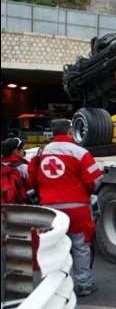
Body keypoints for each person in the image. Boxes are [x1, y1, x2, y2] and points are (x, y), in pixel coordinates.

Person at [29, 119, 103, 297]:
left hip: (50, 210)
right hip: (77, 207)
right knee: (81, 247)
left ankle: (54, 288)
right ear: (70, 132)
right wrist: (84, 193)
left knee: (51, 247)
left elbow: (31, 181)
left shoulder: (38, 154)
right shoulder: (81, 153)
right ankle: (84, 284)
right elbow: (95, 180)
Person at [1, 137, 31, 204]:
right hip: (17, 205)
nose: (24, 150)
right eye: (22, 149)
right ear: (16, 151)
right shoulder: (23, 167)